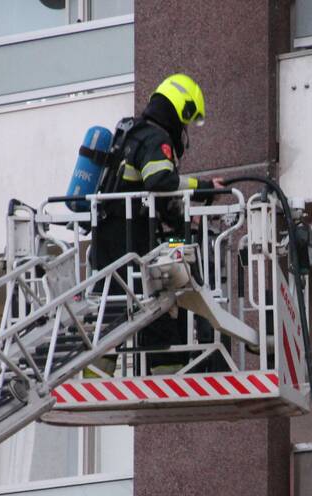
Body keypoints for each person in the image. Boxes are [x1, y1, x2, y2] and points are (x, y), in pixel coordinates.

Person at [91, 73, 221, 375]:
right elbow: (160, 181)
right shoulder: (155, 139)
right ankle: (176, 370)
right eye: (187, 120)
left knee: (113, 318)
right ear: (181, 110)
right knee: (166, 291)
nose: (185, 129)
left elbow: (150, 196)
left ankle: (97, 375)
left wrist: (181, 215)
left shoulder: (131, 134)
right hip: (136, 244)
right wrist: (203, 188)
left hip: (110, 243)